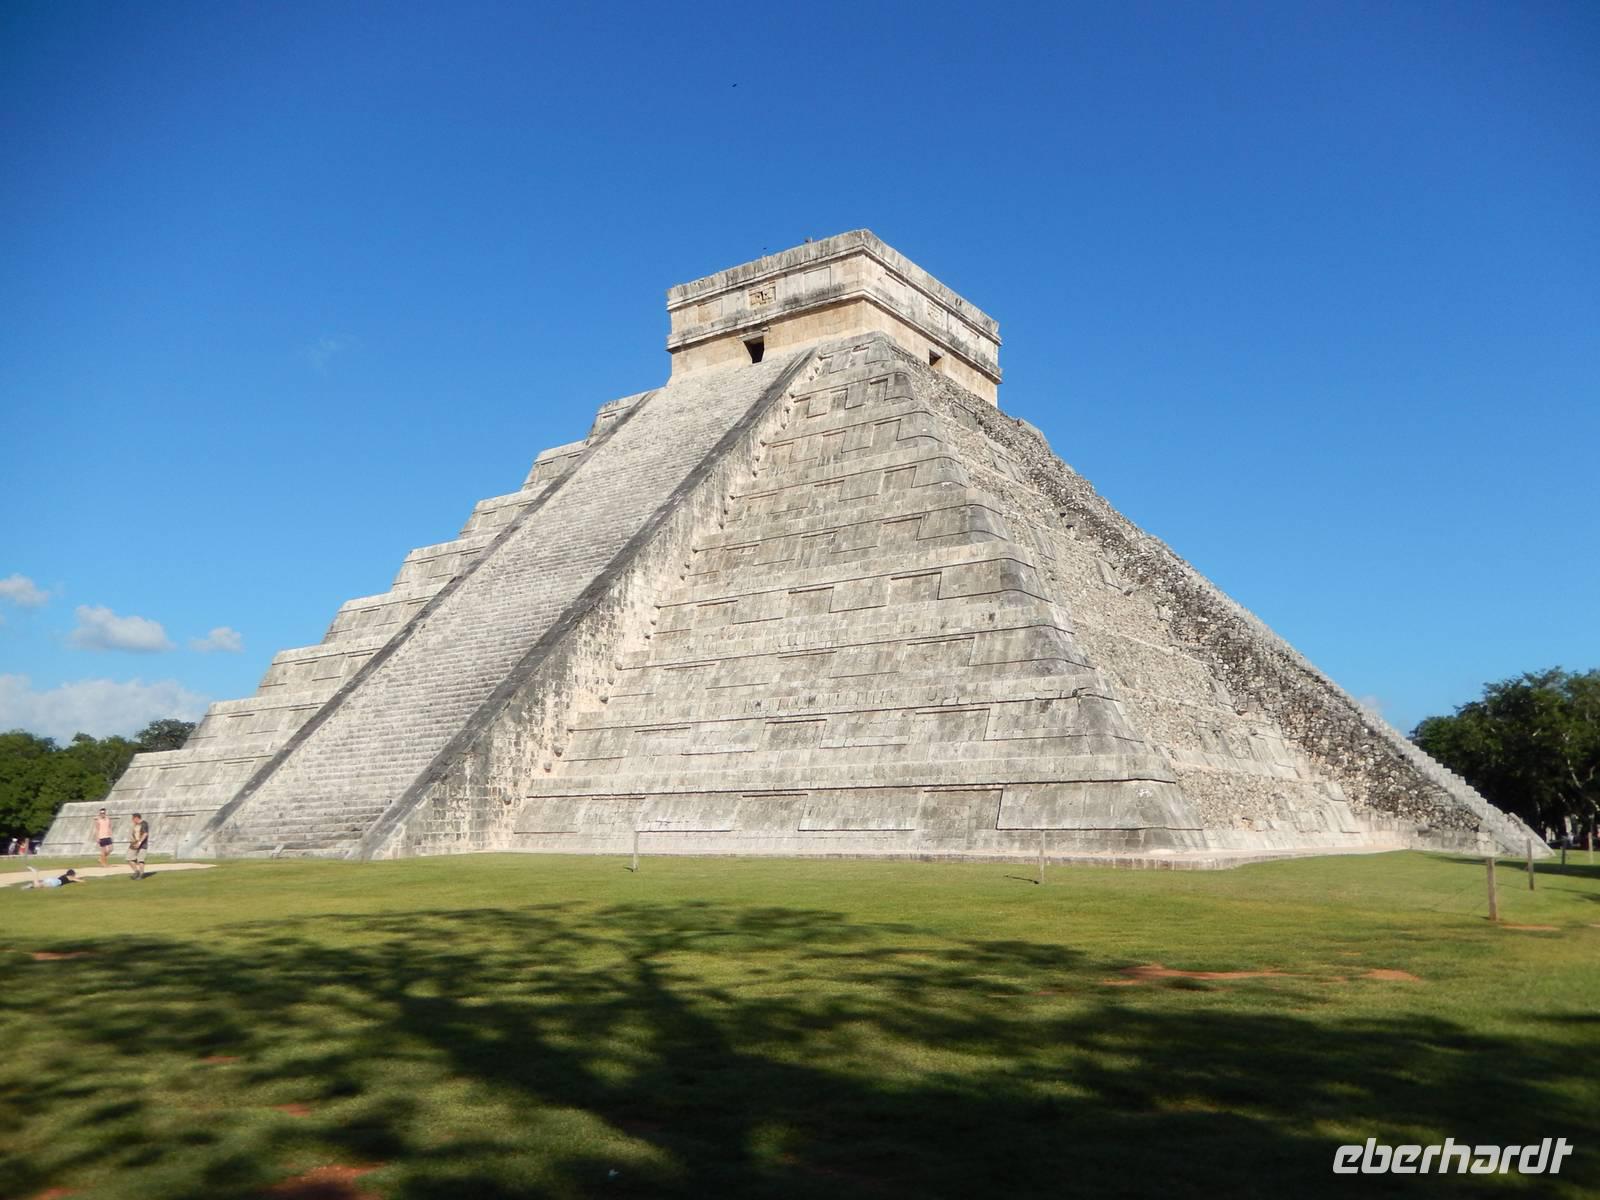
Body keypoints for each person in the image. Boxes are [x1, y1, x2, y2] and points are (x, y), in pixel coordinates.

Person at [127, 812, 150, 881]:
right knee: (129, 858)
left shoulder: (144, 824)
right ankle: (136, 871)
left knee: (141, 860)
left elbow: (145, 834)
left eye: (133, 818)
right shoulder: (135, 825)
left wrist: (139, 842)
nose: (132, 820)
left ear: (136, 818)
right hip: (134, 843)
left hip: (142, 845)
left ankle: (141, 874)